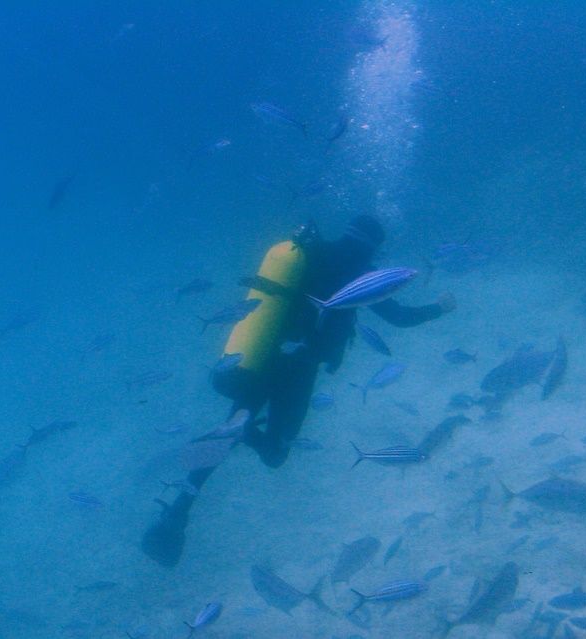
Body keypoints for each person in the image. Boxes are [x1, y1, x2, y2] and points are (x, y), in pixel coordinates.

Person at [142, 215, 455, 567]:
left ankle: (177, 513)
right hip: (298, 370)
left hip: (261, 356)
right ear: (374, 247)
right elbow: (400, 318)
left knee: (232, 425)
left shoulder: (310, 252)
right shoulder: (363, 275)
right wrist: (441, 307)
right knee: (276, 454)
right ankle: (243, 432)